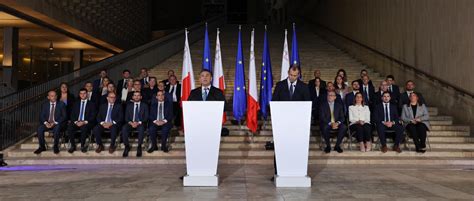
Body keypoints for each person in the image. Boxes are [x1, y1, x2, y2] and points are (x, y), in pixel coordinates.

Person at [271, 65, 311, 181]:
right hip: (282, 124)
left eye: (295, 75)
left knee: (296, 147)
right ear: (288, 73)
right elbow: (274, 102)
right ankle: (278, 173)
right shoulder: (280, 85)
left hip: (298, 125)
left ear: (298, 75)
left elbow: (307, 104)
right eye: (291, 75)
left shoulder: (304, 87)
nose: (292, 77)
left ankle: (297, 171)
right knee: (280, 148)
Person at [34, 90, 67, 154]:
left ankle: (55, 146)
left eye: (55, 96)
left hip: (57, 123)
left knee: (57, 128)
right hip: (48, 123)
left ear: (57, 96)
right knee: (39, 129)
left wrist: (54, 123)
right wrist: (46, 123)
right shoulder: (45, 105)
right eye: (52, 96)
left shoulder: (61, 104)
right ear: (48, 97)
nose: (54, 97)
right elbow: (42, 116)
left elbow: (64, 116)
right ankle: (42, 147)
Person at [67, 88, 97, 153]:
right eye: (81, 93)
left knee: (84, 127)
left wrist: (84, 122)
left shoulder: (92, 104)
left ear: (87, 94)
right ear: (79, 95)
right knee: (70, 127)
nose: (83, 95)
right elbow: (72, 115)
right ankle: (73, 146)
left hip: (86, 122)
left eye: (84, 93)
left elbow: (93, 116)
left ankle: (82, 146)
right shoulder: (75, 103)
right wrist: (76, 122)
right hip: (77, 122)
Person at [122, 91, 149, 157]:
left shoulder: (144, 105)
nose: (136, 97)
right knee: (124, 128)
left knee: (142, 128)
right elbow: (126, 117)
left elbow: (146, 117)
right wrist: (131, 123)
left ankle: (139, 146)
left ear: (141, 97)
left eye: (138, 95)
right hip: (130, 123)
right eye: (135, 95)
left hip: (140, 123)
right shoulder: (129, 105)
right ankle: (127, 146)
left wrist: (138, 122)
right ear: (133, 97)